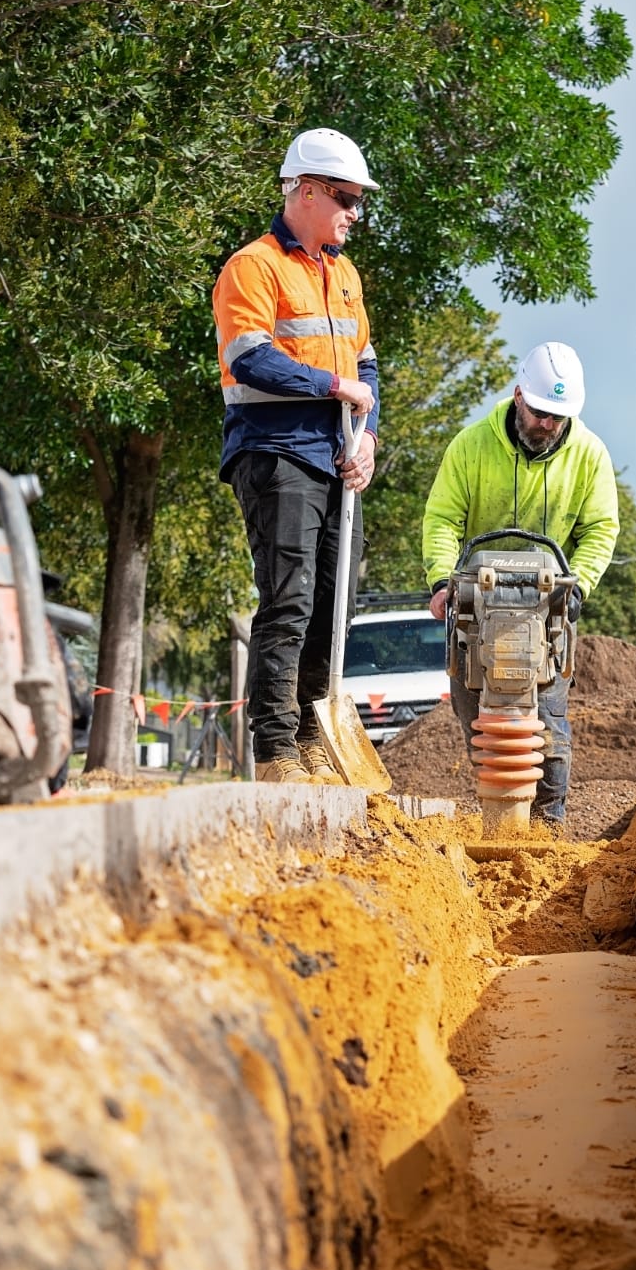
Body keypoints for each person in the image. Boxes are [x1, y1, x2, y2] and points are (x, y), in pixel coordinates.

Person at [214, 128, 379, 782]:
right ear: (306, 192)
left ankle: (317, 741)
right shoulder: (253, 267)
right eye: (345, 198)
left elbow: (366, 368)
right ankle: (278, 753)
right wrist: (330, 386)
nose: (354, 213)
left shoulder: (343, 275)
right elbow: (247, 357)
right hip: (276, 452)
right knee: (290, 600)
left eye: (359, 200)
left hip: (338, 457)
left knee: (337, 606)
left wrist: (367, 436)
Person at [422, 343, 619, 827]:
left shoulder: (589, 455)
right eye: (540, 413)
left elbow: (601, 528)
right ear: (518, 397)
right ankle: (501, 811)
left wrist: (580, 585)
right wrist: (443, 580)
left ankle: (548, 824)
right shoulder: (470, 446)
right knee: (481, 720)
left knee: (547, 722)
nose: (548, 425)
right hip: (476, 602)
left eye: (558, 416)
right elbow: (443, 518)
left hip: (546, 607)